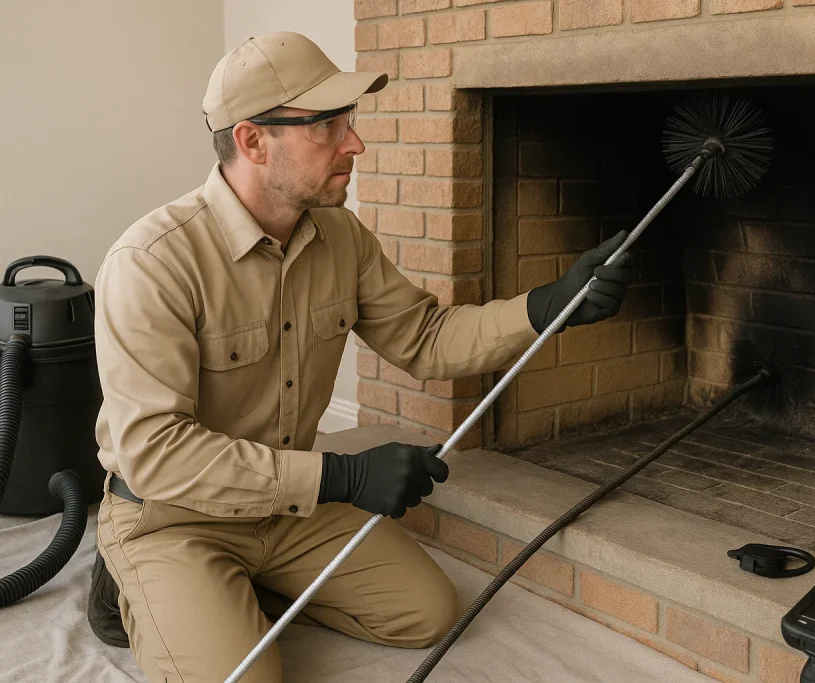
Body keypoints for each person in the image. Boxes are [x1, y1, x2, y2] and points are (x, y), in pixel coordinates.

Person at [87, 31, 633, 683]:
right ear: (253, 140)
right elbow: (157, 453)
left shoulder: (342, 237)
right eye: (327, 125)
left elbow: (424, 337)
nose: (356, 144)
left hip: (286, 511)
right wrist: (341, 479)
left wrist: (548, 305)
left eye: (350, 121)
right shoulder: (152, 264)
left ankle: (233, 593)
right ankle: (139, 579)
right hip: (174, 514)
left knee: (426, 612)